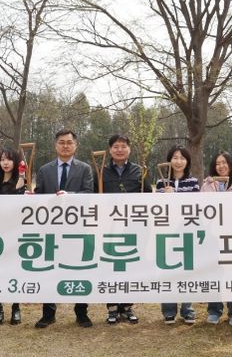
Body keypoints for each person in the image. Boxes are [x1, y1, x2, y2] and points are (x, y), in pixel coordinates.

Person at [34, 129, 94, 328]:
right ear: (55, 145)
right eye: (61, 142)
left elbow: (89, 194)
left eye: (69, 142)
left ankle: (81, 312)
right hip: (51, 229)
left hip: (78, 229)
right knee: (49, 270)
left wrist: (71, 196)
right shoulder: (44, 170)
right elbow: (40, 196)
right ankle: (48, 313)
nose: (65, 146)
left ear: (76, 145)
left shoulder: (85, 169)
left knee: (79, 270)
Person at [98, 134, 149, 325]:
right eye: (116, 146)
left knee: (130, 265)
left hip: (133, 226)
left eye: (123, 146)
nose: (119, 150)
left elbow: (148, 196)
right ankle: (112, 307)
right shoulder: (101, 171)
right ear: (110, 150)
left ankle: (127, 306)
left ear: (129, 149)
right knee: (110, 265)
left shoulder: (139, 171)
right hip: (109, 227)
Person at [201, 151, 232, 325]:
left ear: (230, 165)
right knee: (214, 271)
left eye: (224, 163)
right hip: (213, 236)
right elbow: (200, 209)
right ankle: (214, 310)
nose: (221, 166)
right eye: (217, 163)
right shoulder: (207, 185)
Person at [156, 145, 199, 324]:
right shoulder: (161, 182)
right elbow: (156, 207)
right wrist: (163, 195)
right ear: (169, 160)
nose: (178, 161)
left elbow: (195, 204)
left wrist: (176, 194)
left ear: (187, 161)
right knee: (167, 272)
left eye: (182, 158)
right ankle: (168, 311)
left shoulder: (193, 182)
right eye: (175, 157)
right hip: (166, 233)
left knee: (186, 271)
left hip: (186, 232)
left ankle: (187, 309)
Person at [0, 148, 25, 325]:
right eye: (2, 159)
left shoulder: (20, 180)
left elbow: (21, 202)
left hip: (15, 232)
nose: (5, 163)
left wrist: (21, 181)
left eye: (9, 159)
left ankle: (16, 308)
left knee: (14, 270)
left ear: (15, 162)